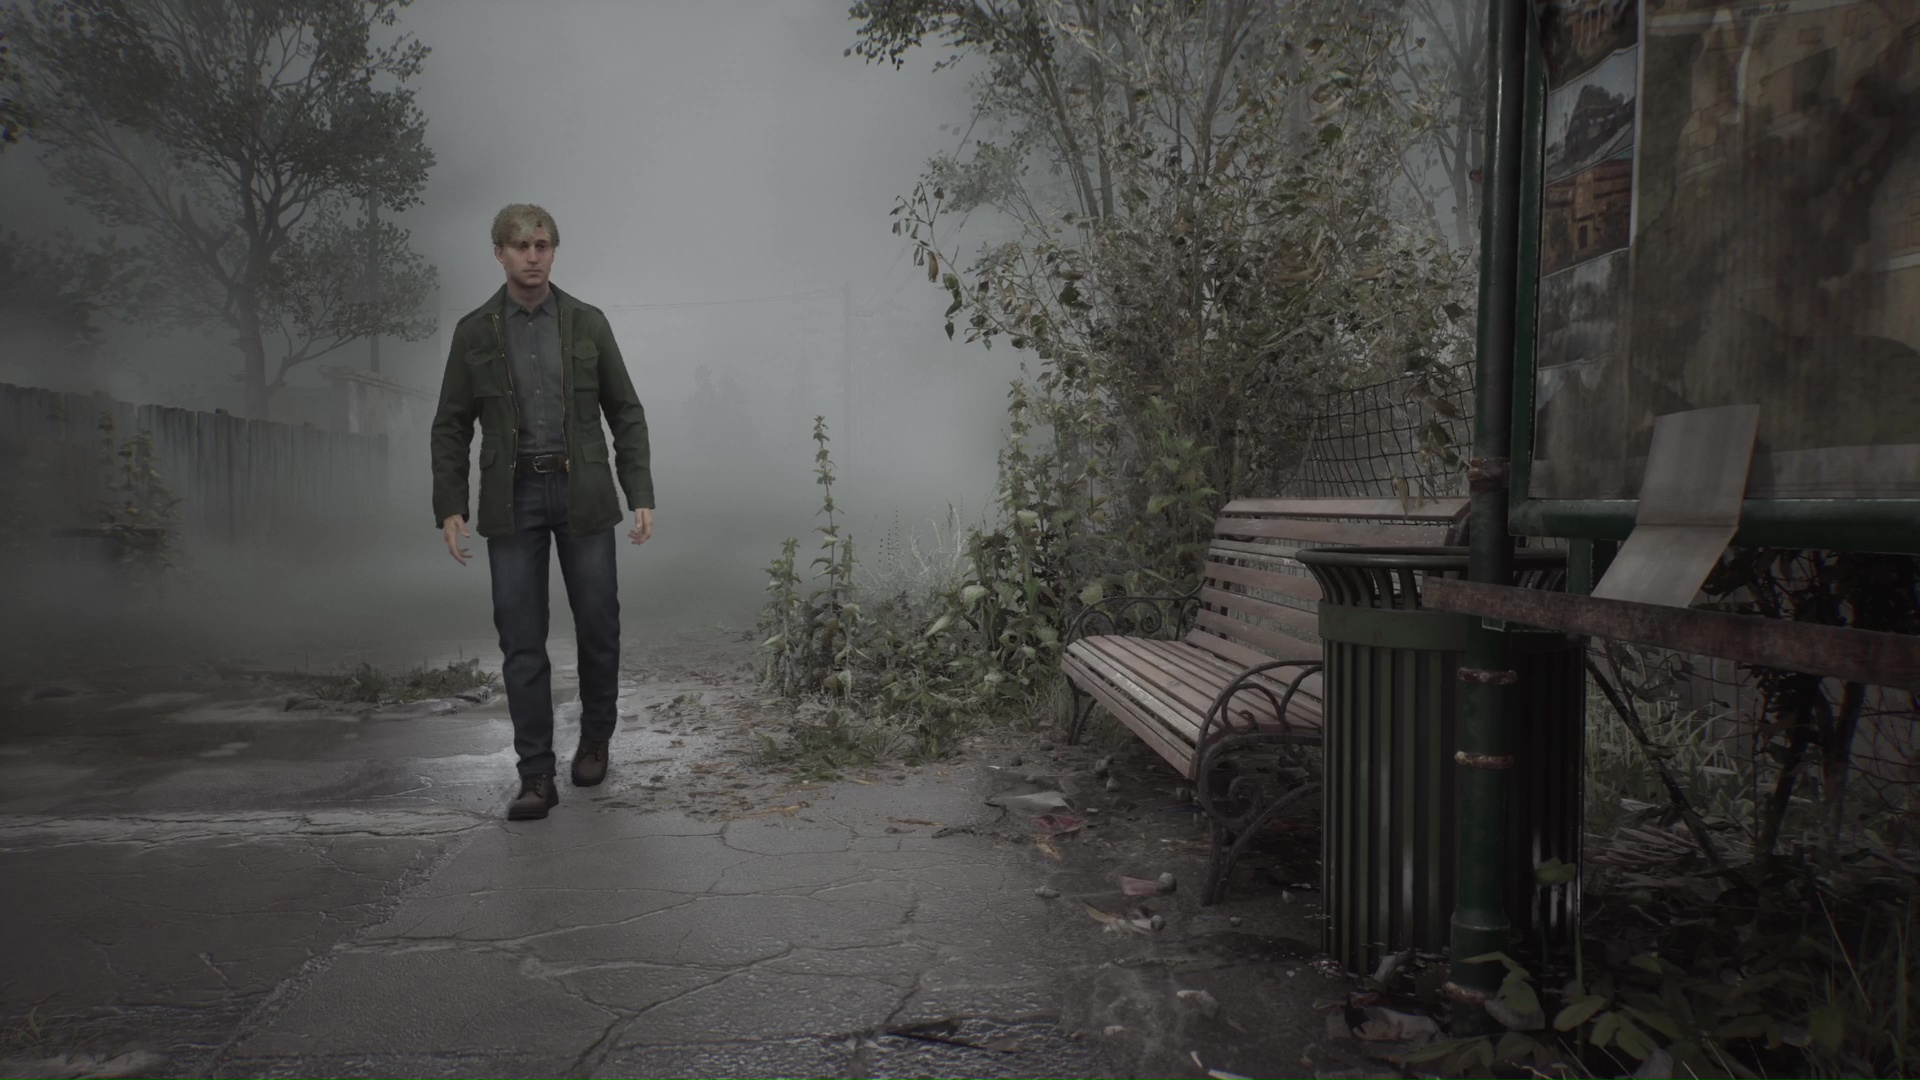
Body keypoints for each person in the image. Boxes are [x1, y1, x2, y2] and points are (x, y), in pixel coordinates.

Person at [428, 204, 655, 821]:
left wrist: (639, 490)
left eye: (542, 244)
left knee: (599, 624)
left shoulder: (587, 323)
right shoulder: (474, 332)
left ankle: (595, 739)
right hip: (513, 497)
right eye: (520, 245)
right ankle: (535, 775)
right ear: (499, 253)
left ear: (554, 251)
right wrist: (450, 505)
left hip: (585, 490)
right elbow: (451, 426)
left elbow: (625, 411)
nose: (533, 255)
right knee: (520, 637)